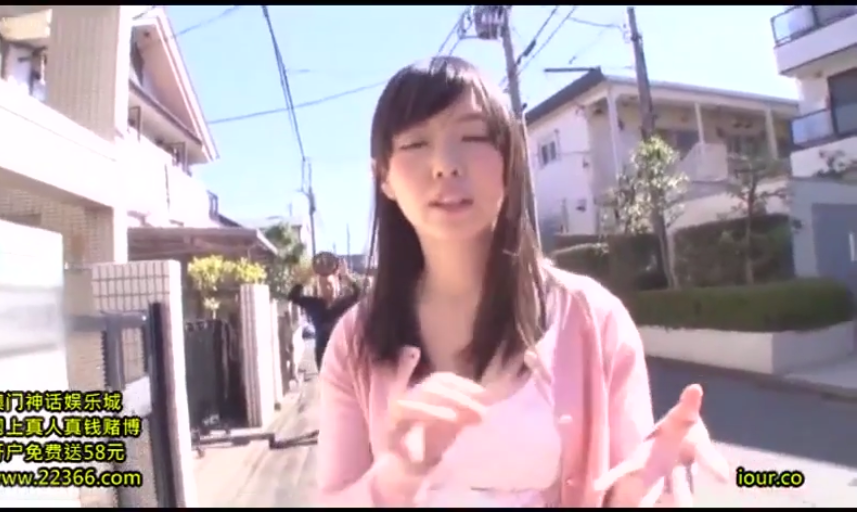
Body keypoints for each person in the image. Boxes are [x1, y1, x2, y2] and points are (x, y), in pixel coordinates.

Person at [316, 56, 730, 507]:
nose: (445, 165)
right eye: (416, 143)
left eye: (473, 137)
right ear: (384, 177)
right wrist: (395, 476)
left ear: (509, 160)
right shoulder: (354, 344)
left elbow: (626, 493)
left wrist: (655, 476)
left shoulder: (594, 320)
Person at [287, 261, 361, 370]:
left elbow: (360, 294)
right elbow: (293, 297)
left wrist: (346, 276)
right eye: (322, 285)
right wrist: (305, 278)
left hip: (342, 354)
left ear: (336, 285)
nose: (326, 288)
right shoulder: (314, 304)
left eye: (329, 284)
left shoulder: (343, 303)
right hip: (322, 354)